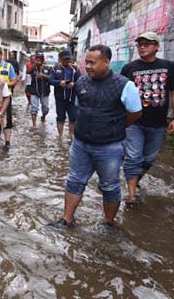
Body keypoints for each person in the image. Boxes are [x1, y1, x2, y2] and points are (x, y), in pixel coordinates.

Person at [53, 45, 142, 227]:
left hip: (109, 147)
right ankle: (67, 219)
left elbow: (136, 112)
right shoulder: (81, 83)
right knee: (74, 181)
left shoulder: (124, 85)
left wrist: (116, 126)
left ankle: (108, 223)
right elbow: (80, 108)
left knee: (110, 186)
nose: (88, 66)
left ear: (106, 62)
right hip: (80, 144)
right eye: (86, 62)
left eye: (92, 63)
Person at [121, 32, 174, 205]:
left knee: (149, 159)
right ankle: (132, 194)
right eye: (140, 44)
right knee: (134, 157)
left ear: (157, 46)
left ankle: (134, 179)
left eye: (147, 44)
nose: (142, 47)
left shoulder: (169, 67)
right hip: (134, 122)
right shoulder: (129, 68)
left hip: (158, 123)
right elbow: (121, 94)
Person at [49, 50, 81, 140]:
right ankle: (60, 136)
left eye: (68, 59)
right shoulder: (55, 68)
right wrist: (60, 83)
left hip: (72, 97)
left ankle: (70, 135)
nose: (66, 61)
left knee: (73, 116)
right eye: (64, 59)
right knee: (60, 116)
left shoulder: (75, 69)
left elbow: (81, 81)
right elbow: (50, 81)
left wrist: (73, 84)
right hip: (60, 97)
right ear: (60, 59)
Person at [0, 46, 18, 149]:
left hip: (5, 97)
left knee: (7, 119)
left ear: (2, 55)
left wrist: (4, 85)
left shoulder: (8, 66)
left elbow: (14, 81)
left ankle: (7, 142)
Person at [28, 51, 52, 128]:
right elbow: (28, 71)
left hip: (45, 91)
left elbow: (52, 78)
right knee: (34, 108)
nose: (39, 60)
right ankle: (34, 125)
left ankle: (43, 116)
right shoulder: (33, 67)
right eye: (37, 58)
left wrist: (43, 76)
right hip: (34, 91)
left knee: (46, 109)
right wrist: (34, 64)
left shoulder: (48, 68)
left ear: (43, 59)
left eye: (40, 58)